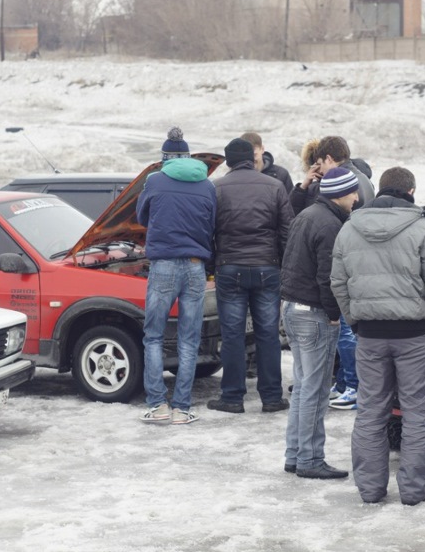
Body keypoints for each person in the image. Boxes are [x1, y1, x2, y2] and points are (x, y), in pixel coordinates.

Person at [331, 166, 425, 505]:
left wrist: (356, 322)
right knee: (418, 414)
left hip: (370, 334)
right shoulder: (424, 227)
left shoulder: (349, 228)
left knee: (370, 412)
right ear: (410, 191)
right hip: (416, 334)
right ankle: (414, 490)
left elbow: (338, 282)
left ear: (379, 190)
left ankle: (370, 489)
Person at [280, 167, 358, 479]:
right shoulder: (330, 225)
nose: (356, 198)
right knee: (314, 391)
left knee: (303, 388)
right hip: (313, 314)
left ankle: (295, 455)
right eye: (353, 192)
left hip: (293, 308)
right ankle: (310, 459)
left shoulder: (308, 215)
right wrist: (335, 314)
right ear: (340, 194)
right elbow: (329, 278)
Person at [136, 127, 217, 425]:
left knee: (154, 337)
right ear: (189, 156)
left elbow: (141, 217)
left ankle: (158, 405)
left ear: (165, 158)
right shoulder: (207, 185)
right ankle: (182, 408)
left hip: (163, 266)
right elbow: (211, 224)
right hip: (195, 267)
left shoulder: (154, 181)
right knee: (189, 340)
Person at [207, 137, 293, 414]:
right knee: (268, 334)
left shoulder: (216, 188)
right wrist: (282, 266)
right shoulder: (275, 186)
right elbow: (287, 232)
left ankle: (232, 397)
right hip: (267, 267)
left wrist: (213, 264)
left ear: (229, 161)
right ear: (252, 158)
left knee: (232, 334)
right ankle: (272, 398)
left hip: (229, 267)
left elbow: (206, 231)